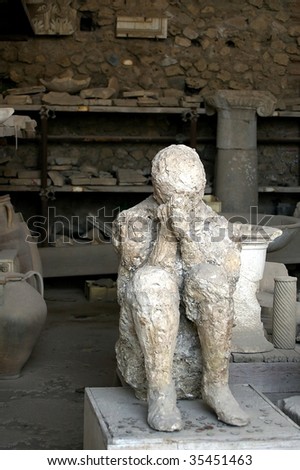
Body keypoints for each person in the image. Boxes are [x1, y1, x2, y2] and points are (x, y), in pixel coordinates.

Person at [112, 144, 250, 432]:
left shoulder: (214, 223)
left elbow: (228, 275)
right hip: (152, 295)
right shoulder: (132, 220)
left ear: (201, 188)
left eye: (191, 195)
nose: (184, 202)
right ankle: (161, 391)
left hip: (200, 290)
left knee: (211, 281)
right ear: (158, 189)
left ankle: (216, 385)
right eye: (175, 196)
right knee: (151, 282)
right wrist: (167, 234)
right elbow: (133, 276)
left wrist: (187, 236)